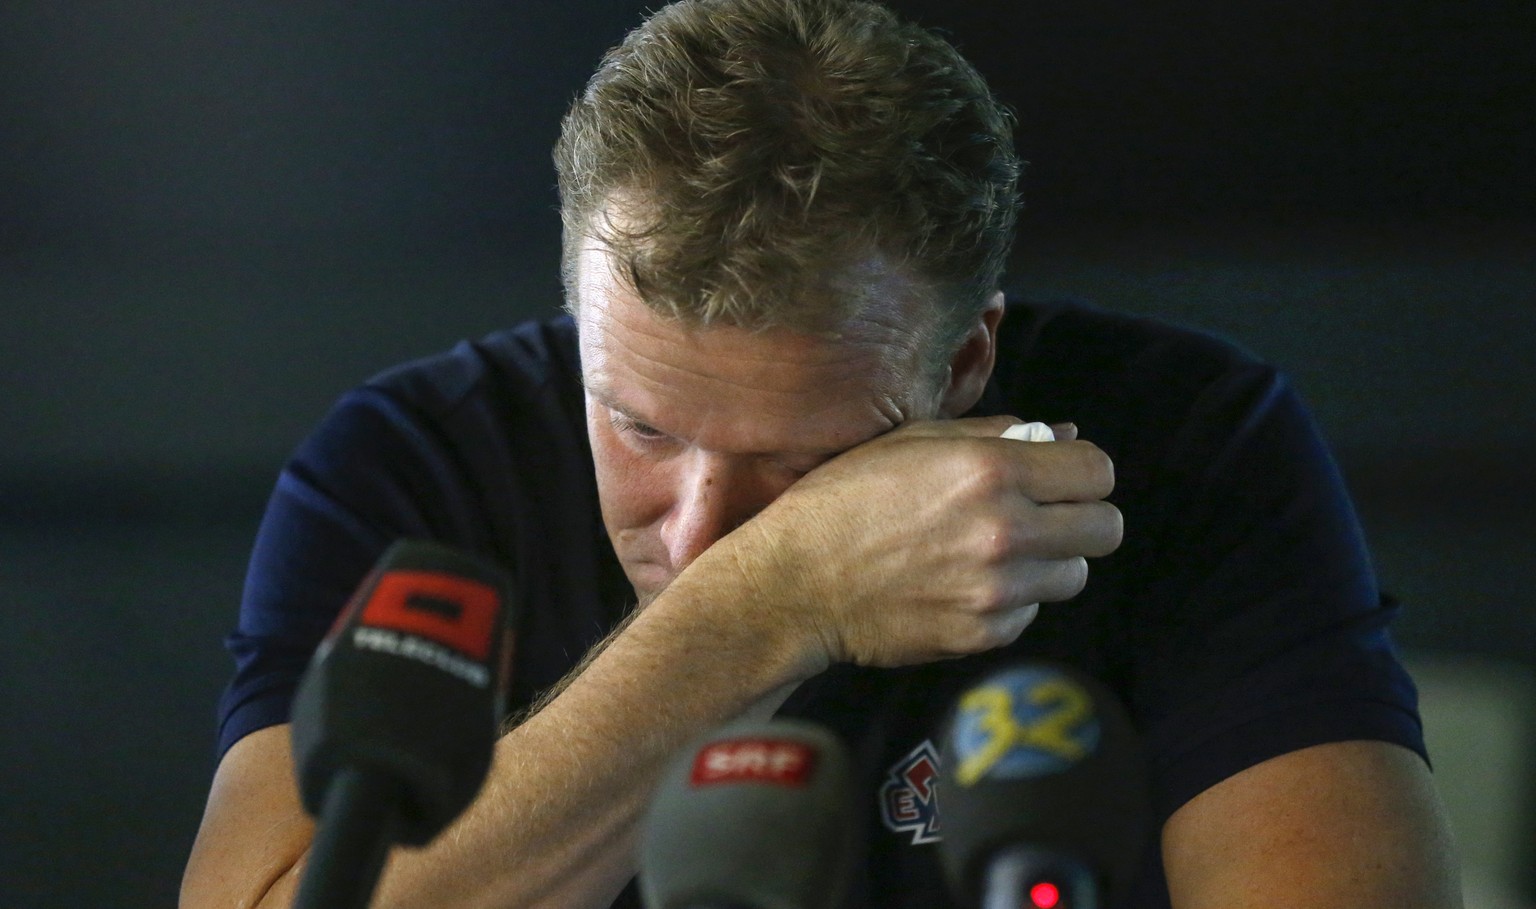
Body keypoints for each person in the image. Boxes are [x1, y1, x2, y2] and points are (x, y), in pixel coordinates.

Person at [180, 0, 1462, 906]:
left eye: (797, 460)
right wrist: (774, 599)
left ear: (963, 367)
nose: (694, 533)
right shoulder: (415, 464)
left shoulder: (1186, 442)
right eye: (639, 425)